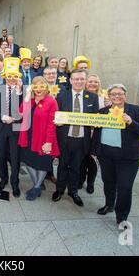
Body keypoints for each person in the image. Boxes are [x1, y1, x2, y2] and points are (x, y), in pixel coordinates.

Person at [92, 84, 139, 225]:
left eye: (120, 94)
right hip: (106, 155)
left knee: (125, 187)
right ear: (109, 96)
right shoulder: (102, 112)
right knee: (108, 183)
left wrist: (131, 122)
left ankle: (122, 216)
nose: (117, 97)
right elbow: (96, 132)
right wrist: (94, 150)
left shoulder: (136, 111)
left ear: (125, 95)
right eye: (113, 94)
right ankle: (109, 205)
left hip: (128, 157)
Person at [53, 69, 99, 207]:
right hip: (65, 138)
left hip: (82, 140)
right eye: (76, 79)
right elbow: (55, 115)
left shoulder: (92, 97)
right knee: (62, 165)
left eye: (82, 79)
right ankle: (59, 189)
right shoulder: (61, 96)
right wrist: (57, 121)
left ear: (85, 81)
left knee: (76, 167)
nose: (79, 81)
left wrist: (95, 122)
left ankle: (73, 192)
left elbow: (95, 117)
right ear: (71, 80)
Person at [19, 77, 60, 200]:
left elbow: (52, 124)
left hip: (43, 137)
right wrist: (27, 94)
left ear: (46, 87)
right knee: (28, 161)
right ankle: (38, 185)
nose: (38, 89)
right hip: (28, 136)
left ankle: (36, 187)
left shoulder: (51, 101)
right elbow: (21, 112)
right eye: (35, 86)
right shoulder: (30, 100)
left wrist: (48, 142)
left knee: (42, 163)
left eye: (41, 86)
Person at [0, 57, 23, 197]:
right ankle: (3, 179)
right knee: (1, 157)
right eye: (9, 76)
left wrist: (18, 91)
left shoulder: (22, 91)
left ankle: (15, 183)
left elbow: (24, 109)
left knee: (15, 157)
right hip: (0, 128)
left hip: (15, 129)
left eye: (14, 76)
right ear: (4, 77)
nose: (11, 79)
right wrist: (3, 117)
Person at [79, 74, 108, 194]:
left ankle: (91, 182)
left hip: (97, 133)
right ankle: (80, 180)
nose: (93, 84)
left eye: (96, 82)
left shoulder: (104, 97)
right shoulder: (82, 95)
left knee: (93, 159)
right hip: (83, 130)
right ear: (86, 83)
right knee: (81, 158)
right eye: (90, 81)